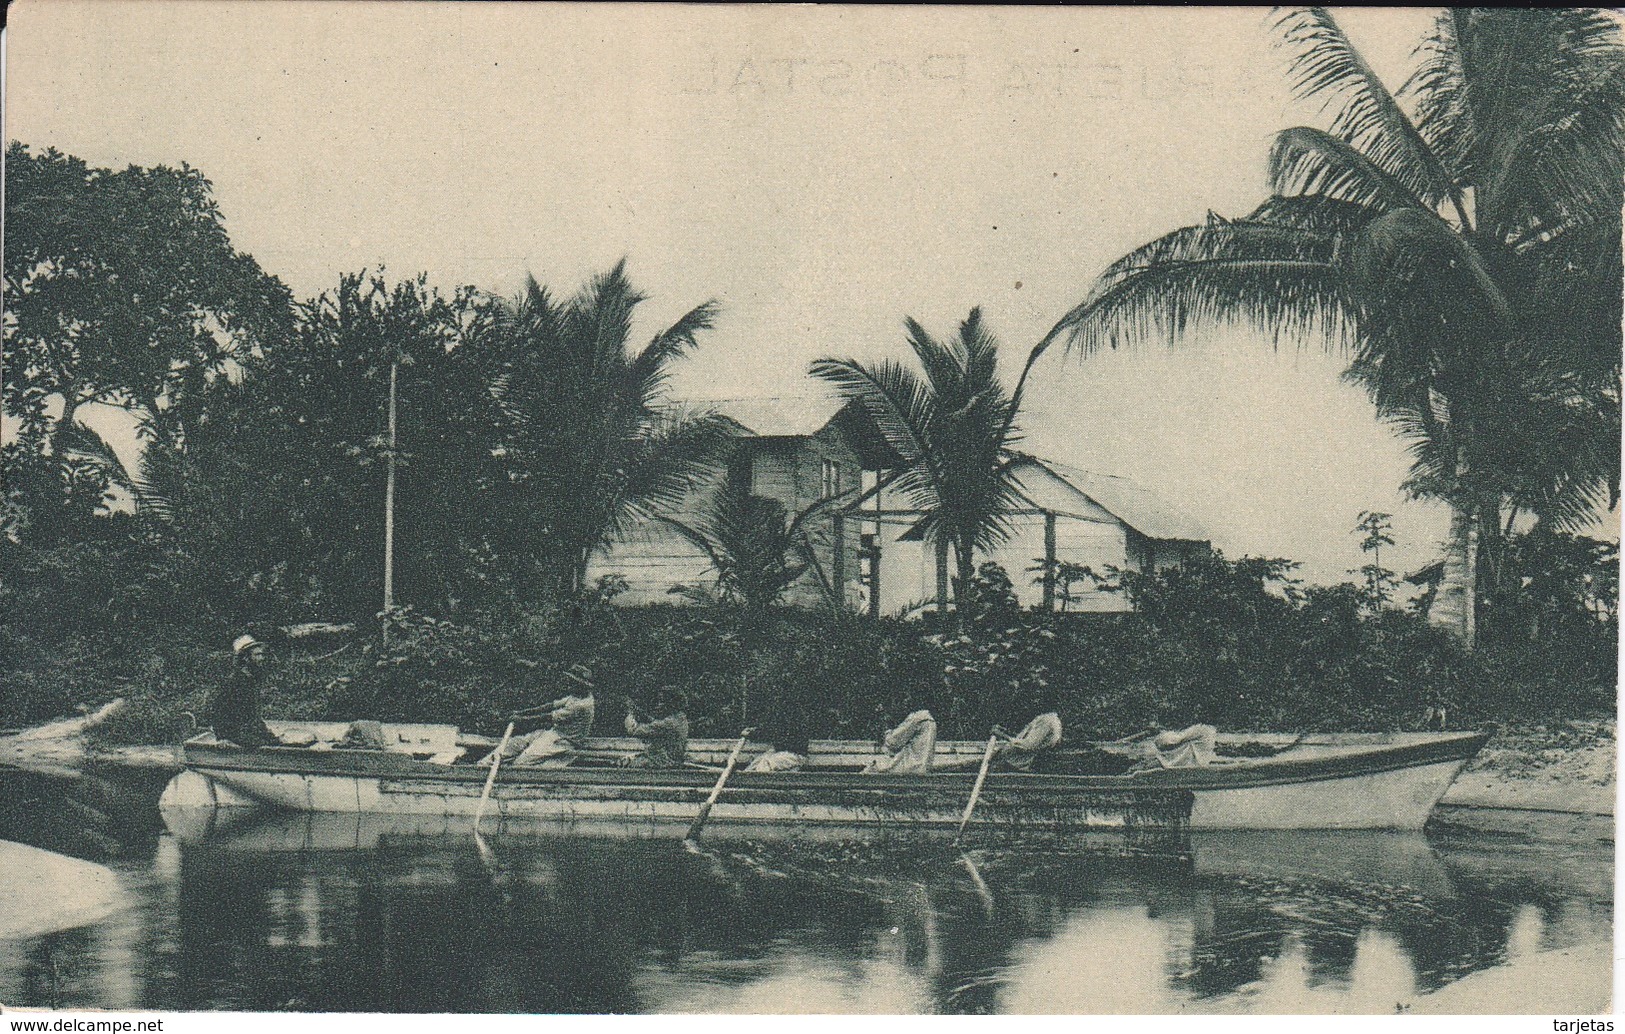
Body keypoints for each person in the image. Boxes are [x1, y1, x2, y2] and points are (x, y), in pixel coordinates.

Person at [479, 665, 597, 768]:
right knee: (515, 744)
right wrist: (522, 712)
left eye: (573, 682)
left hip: (564, 741)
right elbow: (550, 706)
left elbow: (548, 717)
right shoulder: (576, 696)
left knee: (522, 763)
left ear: (582, 685)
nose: (570, 684)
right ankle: (483, 765)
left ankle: (551, 768)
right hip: (553, 733)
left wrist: (522, 720)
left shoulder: (582, 705)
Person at [205, 634, 283, 748]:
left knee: (275, 742)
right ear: (245, 658)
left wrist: (271, 737)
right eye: (257, 655)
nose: (262, 658)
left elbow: (253, 716)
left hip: (247, 730)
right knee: (266, 746)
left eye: (261, 654)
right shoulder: (235, 681)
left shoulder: (250, 679)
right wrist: (222, 737)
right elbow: (218, 709)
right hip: (234, 733)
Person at [623, 690, 690, 768]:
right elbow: (656, 724)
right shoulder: (680, 719)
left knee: (624, 764)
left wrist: (628, 713)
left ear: (671, 704)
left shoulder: (669, 724)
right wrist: (639, 712)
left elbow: (634, 730)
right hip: (670, 760)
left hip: (661, 763)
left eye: (661, 701)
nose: (658, 705)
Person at [862, 709, 937, 774]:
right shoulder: (930, 720)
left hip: (909, 768)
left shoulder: (917, 718)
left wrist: (887, 728)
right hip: (921, 767)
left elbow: (892, 742)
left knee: (871, 768)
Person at [994, 711, 1063, 772]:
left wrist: (1003, 736)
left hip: (1023, 765)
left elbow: (1027, 745)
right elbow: (1028, 739)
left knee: (992, 764)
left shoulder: (1047, 721)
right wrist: (1006, 733)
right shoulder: (1046, 719)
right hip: (1021, 763)